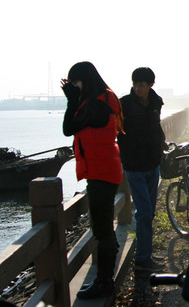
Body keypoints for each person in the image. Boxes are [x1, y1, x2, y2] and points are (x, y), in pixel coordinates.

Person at [61, 61, 123, 299]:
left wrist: (71, 101)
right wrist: (75, 98)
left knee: (102, 230)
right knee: (104, 228)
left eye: (76, 83)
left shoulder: (98, 103)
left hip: (102, 173)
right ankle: (105, 278)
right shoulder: (101, 98)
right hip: (103, 169)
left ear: (85, 80)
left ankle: (104, 282)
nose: (75, 88)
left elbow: (68, 127)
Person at [117, 67, 166, 273]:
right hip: (134, 166)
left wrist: (162, 144)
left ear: (150, 85)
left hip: (152, 165)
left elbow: (156, 127)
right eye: (135, 84)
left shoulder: (156, 102)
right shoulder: (124, 104)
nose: (138, 88)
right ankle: (143, 259)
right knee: (144, 212)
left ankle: (145, 253)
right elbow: (115, 129)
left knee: (150, 212)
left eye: (142, 85)